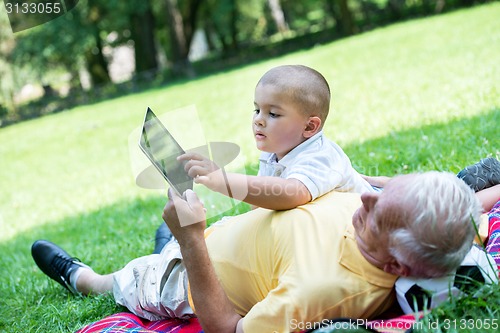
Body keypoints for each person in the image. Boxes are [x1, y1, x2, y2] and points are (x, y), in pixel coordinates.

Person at [32, 171, 482, 333]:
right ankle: (168, 238)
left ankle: (81, 277)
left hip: (183, 279)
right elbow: (469, 205)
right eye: (384, 190)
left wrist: (191, 242)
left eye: (380, 211)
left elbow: (226, 328)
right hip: (229, 233)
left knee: (123, 280)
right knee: (170, 234)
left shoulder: (322, 290)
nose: (366, 197)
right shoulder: (438, 226)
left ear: (394, 265)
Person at [178, 65, 375, 211]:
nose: (258, 120)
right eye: (257, 110)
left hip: (373, 225)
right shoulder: (274, 154)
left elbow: (292, 193)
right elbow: (261, 206)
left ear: (309, 126)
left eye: (273, 114)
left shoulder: (320, 156)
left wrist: (223, 180)